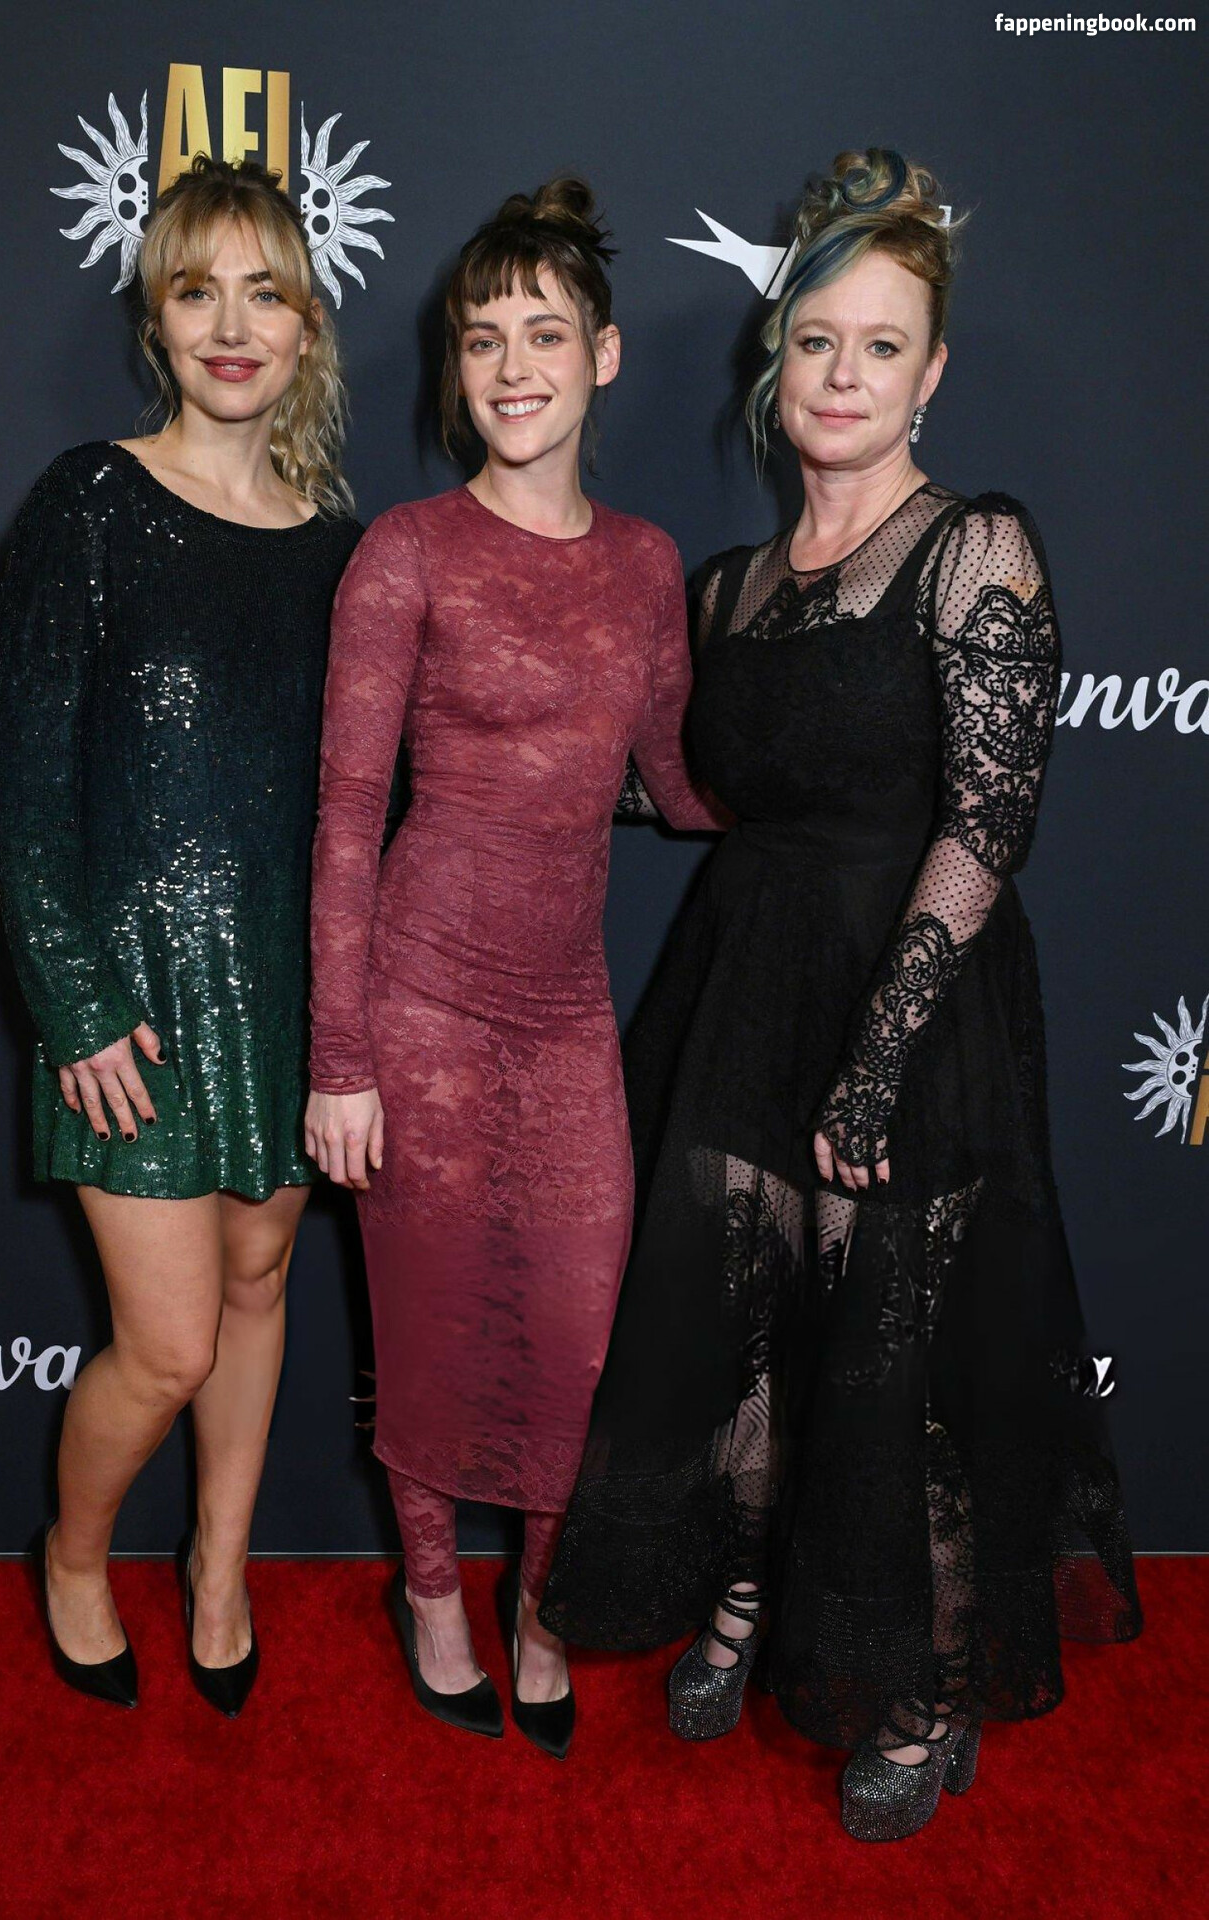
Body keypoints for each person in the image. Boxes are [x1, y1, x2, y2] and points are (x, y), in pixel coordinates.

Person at [541, 148, 1142, 1835]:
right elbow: (678, 787)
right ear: (776, 356)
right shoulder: (727, 587)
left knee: (905, 1358)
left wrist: (878, 1059)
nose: (844, 375)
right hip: (745, 983)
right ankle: (747, 1590)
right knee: (741, 1324)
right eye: (818, 341)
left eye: (882, 346)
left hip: (915, 1003)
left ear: (930, 371)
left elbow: (990, 821)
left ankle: (933, 1686)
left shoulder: (975, 547)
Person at [304, 178, 724, 1755]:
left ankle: (545, 1607)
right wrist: (340, 1058)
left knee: (578, 1337)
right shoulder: (405, 552)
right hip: (413, 1001)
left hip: (563, 1018)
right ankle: (432, 1596)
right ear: (455, 367)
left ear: (603, 356)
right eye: (484, 338)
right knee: (420, 1326)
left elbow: (683, 783)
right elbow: (347, 816)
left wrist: (840, 777)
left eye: (544, 333)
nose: (513, 365)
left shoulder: (647, 563)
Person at [0, 155, 361, 1715]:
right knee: (171, 1343)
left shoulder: (342, 549)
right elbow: (22, 783)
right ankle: (74, 1556)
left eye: (264, 293)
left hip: (282, 991)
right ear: (157, 318)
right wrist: (73, 1005)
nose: (231, 325)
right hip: (127, 1006)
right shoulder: (90, 500)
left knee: (262, 1285)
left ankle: (219, 1566)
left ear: (305, 326)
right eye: (198, 290)